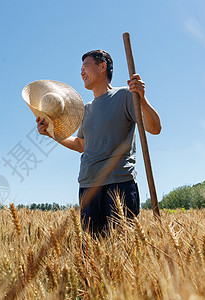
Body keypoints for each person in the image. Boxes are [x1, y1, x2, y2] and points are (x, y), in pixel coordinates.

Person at [36, 50, 161, 235]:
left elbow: (154, 128)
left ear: (102, 66)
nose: (81, 72)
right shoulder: (85, 109)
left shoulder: (126, 95)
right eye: (81, 69)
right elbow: (81, 145)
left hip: (118, 183)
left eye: (85, 67)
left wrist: (142, 98)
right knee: (91, 252)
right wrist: (52, 134)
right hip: (88, 185)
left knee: (122, 249)